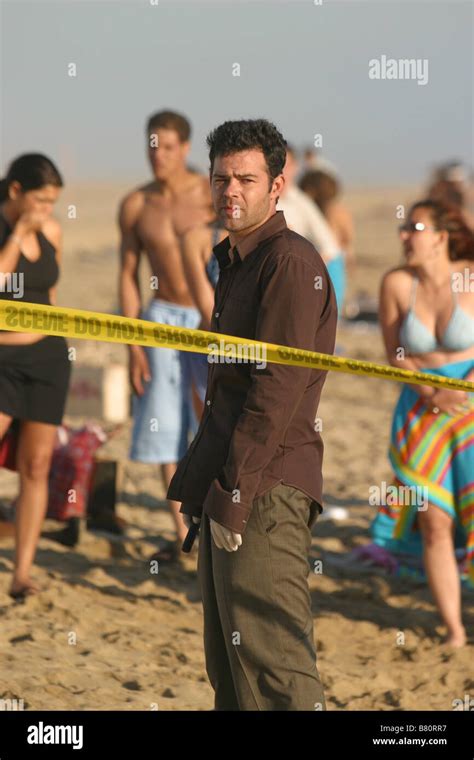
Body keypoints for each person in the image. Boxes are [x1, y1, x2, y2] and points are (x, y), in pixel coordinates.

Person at [167, 119, 337, 710]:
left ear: (277, 186)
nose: (231, 191)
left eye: (246, 179)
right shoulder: (238, 259)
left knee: (275, 669)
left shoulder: (288, 263)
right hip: (230, 477)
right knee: (230, 669)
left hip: (266, 485)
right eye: (221, 179)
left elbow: (276, 390)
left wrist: (234, 492)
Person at [374, 199, 474, 648]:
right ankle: (454, 629)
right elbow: (394, 353)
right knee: (434, 523)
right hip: (421, 410)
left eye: (414, 228)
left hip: (470, 405)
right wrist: (432, 393)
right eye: (403, 228)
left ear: (441, 237)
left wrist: (460, 388)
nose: (404, 236)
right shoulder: (396, 283)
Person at [118, 110, 212, 562]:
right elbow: (127, 275)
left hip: (208, 319)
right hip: (159, 320)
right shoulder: (136, 204)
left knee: (212, 422)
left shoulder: (211, 195)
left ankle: (215, 525)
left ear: (186, 148)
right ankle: (183, 536)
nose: (158, 155)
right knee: (163, 426)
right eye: (152, 145)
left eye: (168, 147)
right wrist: (133, 343)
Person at [0, 153, 71, 601]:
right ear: (16, 191)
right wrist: (18, 234)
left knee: (37, 465)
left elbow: (51, 295)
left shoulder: (52, 231)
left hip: (47, 359)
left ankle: (21, 573)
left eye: (53, 203)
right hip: (2, 359)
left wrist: (37, 226)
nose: (47, 210)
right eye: (41, 201)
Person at [179, 220, 227, 418]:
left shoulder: (278, 238)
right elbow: (208, 310)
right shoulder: (196, 238)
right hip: (210, 350)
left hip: (258, 357)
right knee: (207, 428)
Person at [299, 169, 355, 311]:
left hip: (320, 264)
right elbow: (348, 239)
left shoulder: (310, 211)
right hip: (334, 263)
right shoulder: (339, 211)